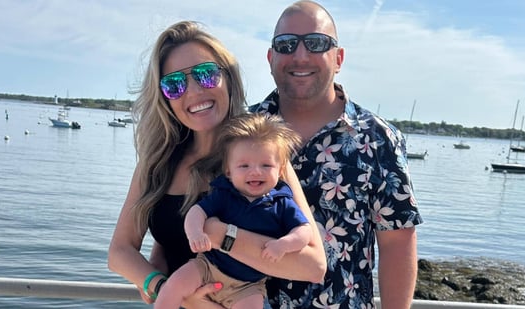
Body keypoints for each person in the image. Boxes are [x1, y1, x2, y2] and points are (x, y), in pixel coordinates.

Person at [107, 20, 326, 308]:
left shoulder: (262, 160)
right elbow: (120, 251)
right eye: (175, 84)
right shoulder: (157, 163)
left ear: (229, 79)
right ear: (164, 97)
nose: (194, 91)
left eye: (206, 75)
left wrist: (221, 235)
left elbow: (313, 266)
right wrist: (161, 286)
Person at [246, 1, 424, 308]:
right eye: (286, 45)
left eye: (316, 44)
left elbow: (397, 245)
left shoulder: (378, 139)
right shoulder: (241, 132)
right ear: (270, 57)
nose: (300, 56)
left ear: (338, 58)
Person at [155, 113, 312, 309]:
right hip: (207, 267)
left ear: (280, 171)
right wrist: (195, 232)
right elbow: (196, 212)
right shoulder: (224, 194)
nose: (255, 171)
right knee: (173, 286)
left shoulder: (282, 203)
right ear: (228, 171)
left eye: (266, 165)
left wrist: (284, 244)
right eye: (244, 166)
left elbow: (305, 231)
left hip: (248, 285)